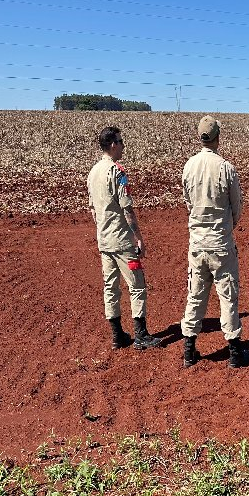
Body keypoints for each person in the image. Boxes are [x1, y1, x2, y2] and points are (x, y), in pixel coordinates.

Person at [180, 115, 249, 368]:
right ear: (218, 137)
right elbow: (237, 207)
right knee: (228, 296)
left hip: (197, 243)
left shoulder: (189, 166)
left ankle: (189, 350)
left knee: (195, 296)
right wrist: (227, 225)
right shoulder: (226, 168)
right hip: (221, 243)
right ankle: (234, 352)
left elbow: (188, 204)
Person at [87, 126, 161, 351]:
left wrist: (102, 230)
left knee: (111, 286)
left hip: (104, 241)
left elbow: (92, 208)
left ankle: (117, 335)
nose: (122, 145)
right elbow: (127, 208)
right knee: (136, 285)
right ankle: (141, 335)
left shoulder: (93, 172)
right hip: (122, 241)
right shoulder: (116, 172)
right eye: (120, 141)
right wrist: (138, 237)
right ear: (112, 145)